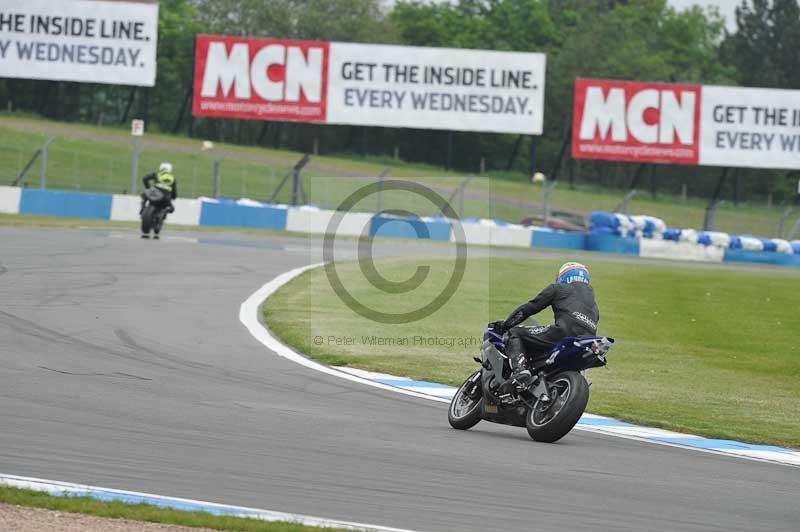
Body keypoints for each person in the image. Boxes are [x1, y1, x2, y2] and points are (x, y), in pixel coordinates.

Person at [491, 262, 599, 385]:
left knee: (514, 333)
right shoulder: (594, 306)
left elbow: (530, 308)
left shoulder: (558, 288)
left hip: (563, 333)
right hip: (587, 342)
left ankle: (519, 370)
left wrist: (506, 325)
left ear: (564, 277)